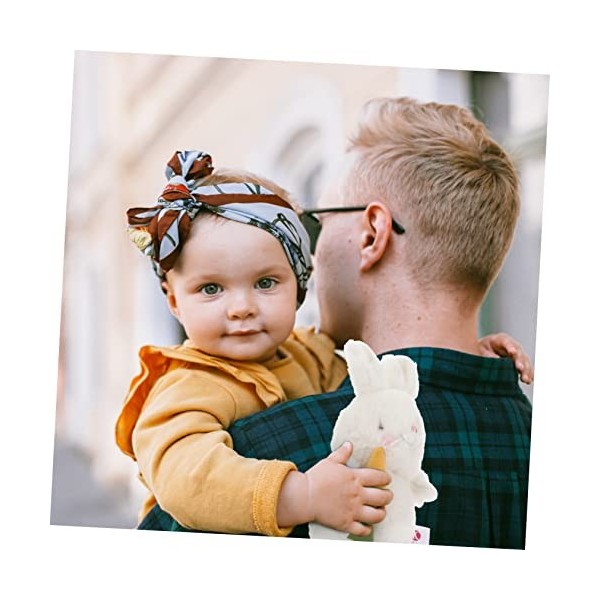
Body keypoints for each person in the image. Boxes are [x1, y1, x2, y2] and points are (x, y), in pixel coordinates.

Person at [141, 97, 533, 549]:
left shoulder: (270, 454)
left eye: (319, 223)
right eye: (212, 289)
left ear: (371, 235)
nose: (315, 254)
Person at [116, 150, 396, 537]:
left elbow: (378, 366)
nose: (242, 308)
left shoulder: (310, 354)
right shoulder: (187, 385)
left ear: (298, 286)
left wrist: (472, 347)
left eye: (265, 283)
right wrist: (304, 493)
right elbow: (189, 480)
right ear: (174, 301)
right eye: (211, 289)